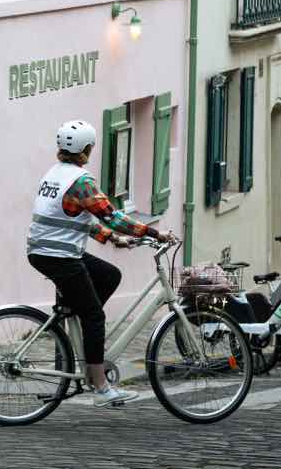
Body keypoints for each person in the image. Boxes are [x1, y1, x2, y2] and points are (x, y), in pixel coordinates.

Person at [26, 120, 176, 408]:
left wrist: (110, 239)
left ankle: (79, 318)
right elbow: (113, 217)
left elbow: (74, 217)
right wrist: (154, 233)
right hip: (59, 255)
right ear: (87, 149)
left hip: (48, 250)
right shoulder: (81, 181)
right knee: (95, 317)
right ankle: (100, 385)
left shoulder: (56, 174)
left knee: (108, 275)